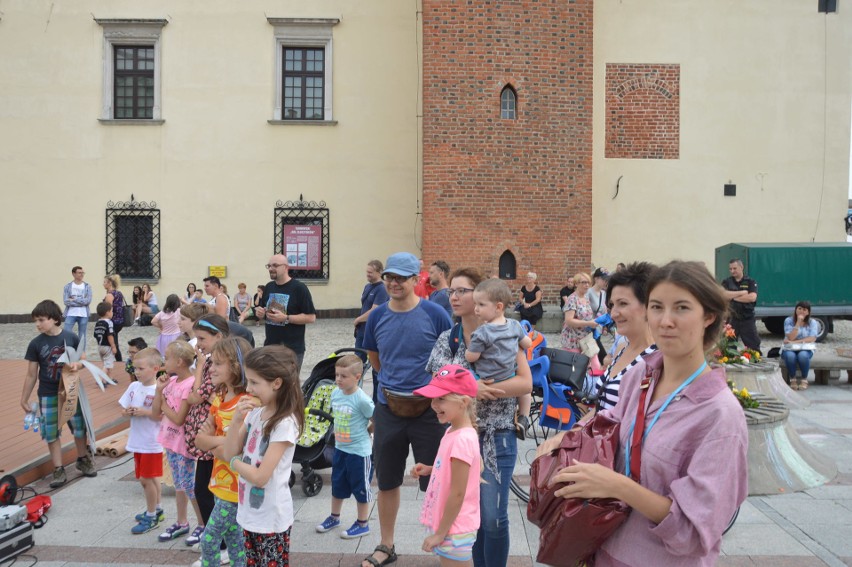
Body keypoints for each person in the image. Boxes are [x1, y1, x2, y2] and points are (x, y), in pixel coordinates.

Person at [542, 260, 748, 566]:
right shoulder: (641, 377)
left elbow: (695, 531)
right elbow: (606, 427)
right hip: (604, 550)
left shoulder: (719, 414)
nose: (665, 321)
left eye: (681, 308)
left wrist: (616, 485)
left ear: (709, 316)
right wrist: (567, 439)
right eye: (656, 307)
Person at [426, 267, 532, 567]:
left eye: (463, 290)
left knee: (493, 519)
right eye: (452, 291)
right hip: (462, 439)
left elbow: (525, 383)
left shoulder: (507, 332)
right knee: (467, 517)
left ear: (483, 296)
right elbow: (439, 385)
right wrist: (474, 387)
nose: (455, 296)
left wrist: (484, 387)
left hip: (498, 435)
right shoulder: (449, 340)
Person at [361, 252, 453, 567]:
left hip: (430, 412)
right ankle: (386, 545)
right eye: (390, 277)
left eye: (401, 277)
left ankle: (446, 543)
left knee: (437, 481)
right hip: (389, 408)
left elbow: (449, 358)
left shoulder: (436, 313)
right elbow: (375, 358)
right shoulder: (376, 316)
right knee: (387, 480)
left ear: (417, 279)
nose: (394, 283)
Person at [224, 345, 304, 567]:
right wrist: (237, 420)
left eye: (255, 382)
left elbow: (260, 477)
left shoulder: (285, 424)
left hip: (271, 518)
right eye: (248, 381)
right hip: (248, 511)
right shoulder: (256, 414)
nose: (248, 388)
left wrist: (233, 462)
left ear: (276, 383)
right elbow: (228, 450)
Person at [21, 300, 97, 488]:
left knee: (79, 427)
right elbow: (31, 374)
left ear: (54, 319)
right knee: (51, 432)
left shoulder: (70, 337)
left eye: (41, 320)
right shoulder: (35, 344)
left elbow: (83, 358)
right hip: (48, 393)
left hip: (71, 390)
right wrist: (24, 398)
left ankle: (82, 459)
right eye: (35, 321)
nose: (37, 324)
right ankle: (58, 468)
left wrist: (77, 365)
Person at [411, 365, 482, 567]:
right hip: (450, 524)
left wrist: (440, 533)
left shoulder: (462, 439)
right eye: (433, 398)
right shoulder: (453, 430)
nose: (433, 404)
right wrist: (431, 469)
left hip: (454, 528)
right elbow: (454, 470)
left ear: (464, 402)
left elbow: (458, 493)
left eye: (441, 398)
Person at [192, 337, 254, 567]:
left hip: (235, 487)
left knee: (208, 543)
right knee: (236, 542)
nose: (211, 368)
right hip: (219, 482)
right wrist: (221, 442)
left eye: (218, 363)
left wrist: (216, 443)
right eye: (211, 362)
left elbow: (236, 449)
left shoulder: (247, 403)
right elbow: (199, 440)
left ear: (236, 367)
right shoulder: (219, 399)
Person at [316, 355, 375, 539]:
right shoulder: (335, 393)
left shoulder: (362, 400)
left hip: (359, 452)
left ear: (358, 377)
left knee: (361, 488)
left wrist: (369, 431)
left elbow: (377, 419)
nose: (339, 379)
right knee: (337, 484)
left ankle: (363, 523)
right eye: (337, 375)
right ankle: (334, 517)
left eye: (344, 376)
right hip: (341, 449)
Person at [464, 278, 532, 436]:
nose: (476, 309)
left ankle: (474, 420)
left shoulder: (482, 332)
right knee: (526, 392)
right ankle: (524, 416)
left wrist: (468, 352)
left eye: (481, 305)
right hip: (509, 376)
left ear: (498, 307)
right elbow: (527, 343)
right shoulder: (515, 325)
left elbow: (472, 357)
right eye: (476, 304)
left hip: (488, 379)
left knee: (469, 378)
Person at [185, 314, 231, 547]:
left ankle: (220, 542)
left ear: (219, 337)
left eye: (202, 338)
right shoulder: (214, 361)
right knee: (207, 489)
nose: (198, 344)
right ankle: (218, 539)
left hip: (212, 437)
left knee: (205, 490)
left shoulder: (215, 365)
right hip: (207, 436)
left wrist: (200, 366)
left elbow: (194, 396)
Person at [152, 340, 203, 543]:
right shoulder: (170, 382)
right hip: (170, 440)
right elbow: (155, 412)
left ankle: (202, 523)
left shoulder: (189, 385)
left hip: (182, 444)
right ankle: (182, 522)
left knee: (190, 485)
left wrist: (163, 404)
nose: (165, 362)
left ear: (180, 361)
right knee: (179, 484)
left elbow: (179, 418)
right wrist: (159, 391)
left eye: (167, 358)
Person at [594, 262, 658, 412]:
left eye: (623, 304)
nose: (614, 313)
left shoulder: (656, 358)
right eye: (612, 305)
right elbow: (599, 409)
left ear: (648, 305)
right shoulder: (622, 347)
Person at [120, 347, 164, 534]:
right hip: (138, 440)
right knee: (149, 478)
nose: (136, 372)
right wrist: (128, 412)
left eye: (140, 369)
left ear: (155, 369)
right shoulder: (133, 387)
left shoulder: (158, 390)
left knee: (146, 480)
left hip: (151, 442)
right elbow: (123, 409)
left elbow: (162, 415)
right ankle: (157, 509)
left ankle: (152, 514)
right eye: (135, 368)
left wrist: (145, 412)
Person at [256, 255, 317, 372]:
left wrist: (286, 318)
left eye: (275, 265)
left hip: (291, 350)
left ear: (286, 267)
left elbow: (311, 317)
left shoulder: (299, 288)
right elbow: (266, 312)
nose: (270, 268)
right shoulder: (269, 287)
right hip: (270, 347)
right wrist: (261, 314)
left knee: (289, 385)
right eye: (269, 266)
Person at [561, 272, 602, 374]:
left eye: (588, 282)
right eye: (583, 282)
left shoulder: (585, 298)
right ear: (576, 284)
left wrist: (596, 321)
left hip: (586, 338)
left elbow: (586, 316)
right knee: (575, 371)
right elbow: (569, 320)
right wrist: (588, 323)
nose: (587, 285)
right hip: (573, 340)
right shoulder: (572, 299)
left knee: (595, 366)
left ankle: (594, 388)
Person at [721, 258, 760, 352]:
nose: (732, 271)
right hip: (732, 319)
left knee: (753, 347)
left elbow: (752, 297)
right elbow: (723, 295)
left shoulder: (750, 281)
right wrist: (742, 292)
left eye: (734, 268)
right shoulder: (727, 282)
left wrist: (732, 297)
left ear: (741, 267)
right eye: (730, 269)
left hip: (747, 318)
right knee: (728, 347)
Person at [782, 301, 819, 390]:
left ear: (808, 312)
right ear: (795, 310)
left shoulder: (812, 322)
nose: (802, 311)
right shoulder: (788, 320)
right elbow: (790, 337)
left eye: (805, 309)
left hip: (806, 348)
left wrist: (795, 342)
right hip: (789, 348)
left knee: (802, 356)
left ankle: (804, 379)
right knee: (790, 356)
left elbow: (812, 338)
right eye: (799, 309)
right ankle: (793, 378)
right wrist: (798, 322)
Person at [354, 260, 389, 350]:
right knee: (358, 356)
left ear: (380, 272)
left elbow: (375, 310)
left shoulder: (382, 289)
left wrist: (358, 320)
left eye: (370, 272)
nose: (368, 274)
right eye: (367, 272)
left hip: (372, 328)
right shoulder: (367, 286)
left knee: (372, 357)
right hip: (362, 328)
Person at [62, 266, 92, 351]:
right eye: (79, 273)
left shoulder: (87, 286)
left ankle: (81, 354)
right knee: (66, 333)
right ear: (73, 274)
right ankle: (68, 352)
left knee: (82, 336)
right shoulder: (67, 286)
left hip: (83, 314)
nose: (81, 274)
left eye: (82, 273)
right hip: (71, 313)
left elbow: (88, 301)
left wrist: (74, 299)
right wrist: (81, 301)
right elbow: (66, 301)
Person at [588, 267, 611, 365]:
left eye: (607, 280)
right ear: (596, 279)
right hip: (590, 328)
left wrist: (605, 326)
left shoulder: (604, 293)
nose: (605, 282)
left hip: (599, 328)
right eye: (603, 279)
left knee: (594, 354)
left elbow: (605, 310)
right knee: (600, 354)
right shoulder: (588, 292)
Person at [103, 274, 127, 361]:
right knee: (113, 342)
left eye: (105, 282)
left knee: (113, 343)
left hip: (113, 322)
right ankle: (117, 361)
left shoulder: (109, 295)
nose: (103, 284)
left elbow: (108, 311)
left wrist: (105, 321)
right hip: (119, 321)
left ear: (109, 283)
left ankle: (118, 361)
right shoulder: (118, 293)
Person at [93, 302, 117, 381]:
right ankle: (100, 380)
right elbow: (110, 335)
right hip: (107, 346)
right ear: (107, 312)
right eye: (111, 311)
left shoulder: (98, 322)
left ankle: (110, 378)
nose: (112, 313)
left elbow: (95, 335)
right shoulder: (109, 322)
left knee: (107, 363)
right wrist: (113, 346)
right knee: (107, 365)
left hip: (100, 346)